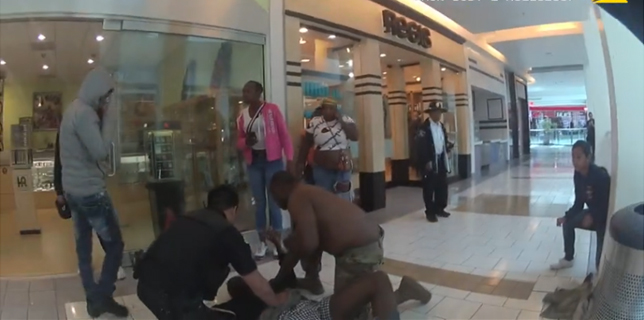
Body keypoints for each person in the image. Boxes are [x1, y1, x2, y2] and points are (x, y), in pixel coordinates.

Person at [134, 185, 288, 319]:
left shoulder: (187, 218)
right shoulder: (227, 233)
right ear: (234, 209)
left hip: (145, 284)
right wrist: (276, 302)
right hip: (169, 296)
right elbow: (258, 285)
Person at [218, 229, 431, 320]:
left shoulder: (269, 289)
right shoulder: (236, 310)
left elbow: (287, 279)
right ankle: (402, 293)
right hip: (296, 316)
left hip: (317, 309)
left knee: (378, 280)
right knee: (368, 303)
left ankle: (402, 294)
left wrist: (279, 246)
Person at [59, 68, 128, 318]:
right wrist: (109, 118)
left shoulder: (71, 110)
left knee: (84, 248)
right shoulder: (86, 114)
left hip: (73, 192)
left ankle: (92, 299)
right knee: (115, 245)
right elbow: (100, 151)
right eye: (106, 95)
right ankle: (102, 297)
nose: (107, 100)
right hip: (90, 192)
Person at [269, 171, 384, 320]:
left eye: (273, 195)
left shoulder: (297, 197)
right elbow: (307, 243)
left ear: (281, 189)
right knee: (354, 302)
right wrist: (281, 274)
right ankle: (312, 280)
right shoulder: (307, 192)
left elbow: (308, 243)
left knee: (345, 309)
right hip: (365, 244)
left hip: (358, 252)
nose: (275, 201)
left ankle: (402, 293)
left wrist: (288, 243)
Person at [54, 128, 127, 281]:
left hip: (91, 184)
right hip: (77, 186)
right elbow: (59, 162)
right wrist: (59, 190)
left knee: (98, 226)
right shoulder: (66, 132)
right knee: (85, 228)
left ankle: (109, 263)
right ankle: (89, 264)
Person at [236, 81, 294, 260]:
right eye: (244, 91)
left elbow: (284, 135)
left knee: (274, 201)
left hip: (273, 161)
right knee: (259, 202)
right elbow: (238, 140)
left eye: (248, 91)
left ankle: (277, 241)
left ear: (258, 92)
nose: (245, 94)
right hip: (254, 162)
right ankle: (261, 242)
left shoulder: (272, 110)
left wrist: (290, 159)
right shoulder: (242, 115)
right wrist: (246, 142)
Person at [550, 140, 610, 271]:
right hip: (591, 213)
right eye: (573, 157)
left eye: (578, 157)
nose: (575, 161)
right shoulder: (578, 175)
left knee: (599, 255)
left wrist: (592, 216)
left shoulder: (600, 175)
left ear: (588, 157)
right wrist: (567, 216)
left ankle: (600, 271)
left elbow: (605, 203)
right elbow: (579, 202)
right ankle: (568, 258)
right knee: (568, 223)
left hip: (604, 217)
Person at [296, 98, 358, 201]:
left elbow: (355, 137)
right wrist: (300, 163)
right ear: (321, 110)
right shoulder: (315, 122)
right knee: (324, 198)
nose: (328, 111)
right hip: (321, 168)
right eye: (325, 108)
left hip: (342, 167)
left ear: (336, 110)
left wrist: (341, 121)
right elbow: (306, 143)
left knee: (342, 198)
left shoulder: (346, 120)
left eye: (331, 108)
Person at [414, 102, 454, 223]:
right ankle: (430, 212)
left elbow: (444, 140)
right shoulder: (424, 128)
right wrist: (426, 161)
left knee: (442, 185)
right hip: (430, 160)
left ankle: (440, 208)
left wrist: (447, 148)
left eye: (440, 113)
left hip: (441, 159)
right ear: (431, 113)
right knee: (429, 187)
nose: (438, 115)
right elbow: (420, 146)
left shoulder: (441, 126)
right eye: (436, 112)